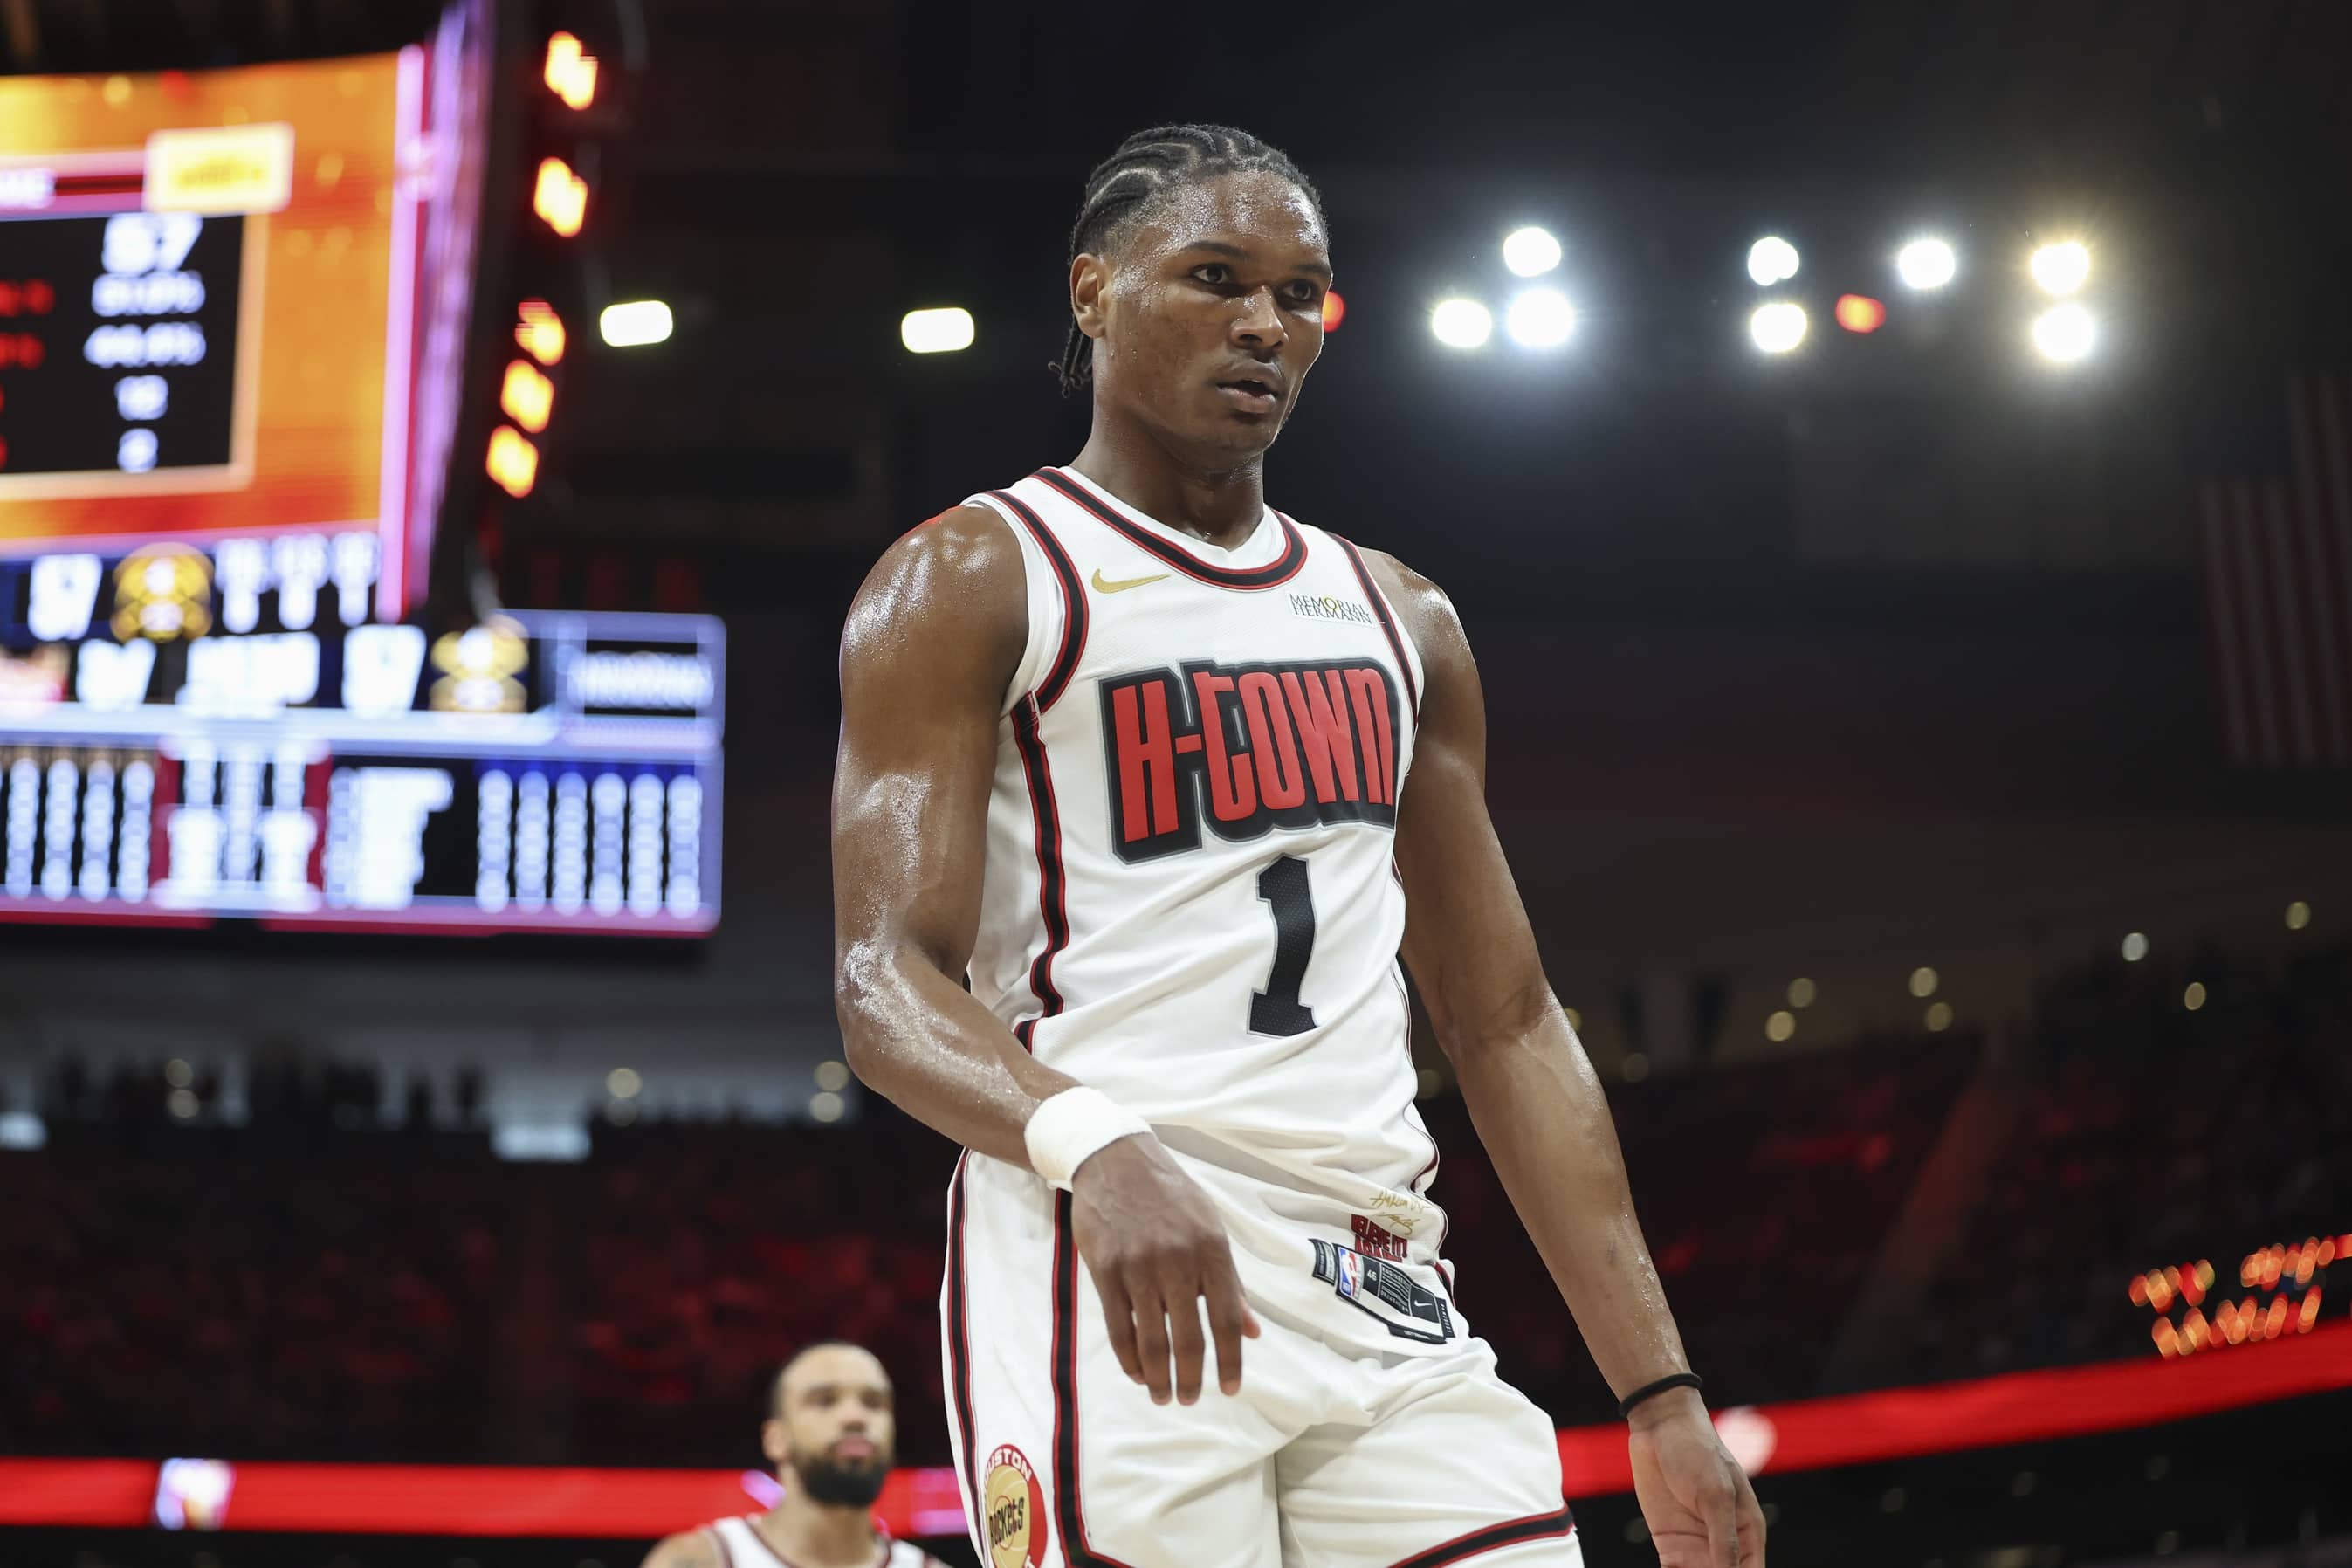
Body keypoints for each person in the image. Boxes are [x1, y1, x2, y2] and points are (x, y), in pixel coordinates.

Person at [832, 124, 1767, 1568]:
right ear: (1092, 293)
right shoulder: (972, 575)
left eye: (1298, 292)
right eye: (1214, 277)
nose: (1264, 323)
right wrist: (1092, 1145)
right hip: (1111, 1251)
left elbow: (1505, 1020)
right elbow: (882, 982)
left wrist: (1658, 1390)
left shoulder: (1400, 617)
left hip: (1379, 1275)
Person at [641, 1342, 947, 1568]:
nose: (856, 1417)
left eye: (873, 1402)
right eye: (825, 1400)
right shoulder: (699, 1560)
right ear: (775, 1439)